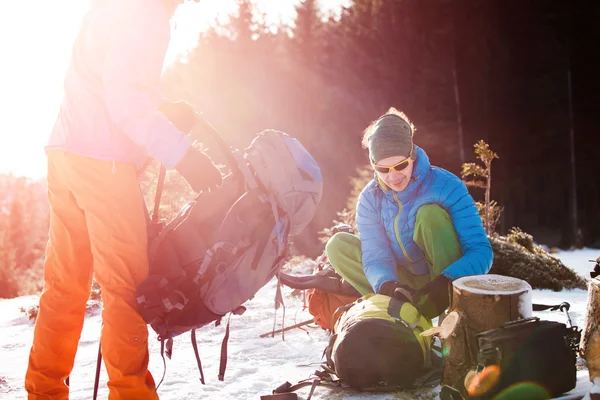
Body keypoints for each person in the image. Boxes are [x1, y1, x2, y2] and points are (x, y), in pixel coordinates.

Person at [24, 1, 217, 399]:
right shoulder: (147, 16)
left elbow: (103, 80)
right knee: (126, 286)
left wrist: (161, 111)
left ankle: (43, 391)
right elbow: (126, 100)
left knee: (64, 284)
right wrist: (184, 155)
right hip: (104, 162)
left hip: (65, 151)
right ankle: (130, 393)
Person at [324, 107, 493, 319]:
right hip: (403, 281)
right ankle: (394, 310)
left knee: (429, 215)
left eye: (400, 165)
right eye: (383, 169)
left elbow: (481, 250)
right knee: (338, 246)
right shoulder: (370, 199)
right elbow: (375, 255)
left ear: (411, 156)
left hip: (444, 278)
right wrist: (387, 284)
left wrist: (448, 281)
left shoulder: (447, 185)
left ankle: (449, 313)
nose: (393, 176)